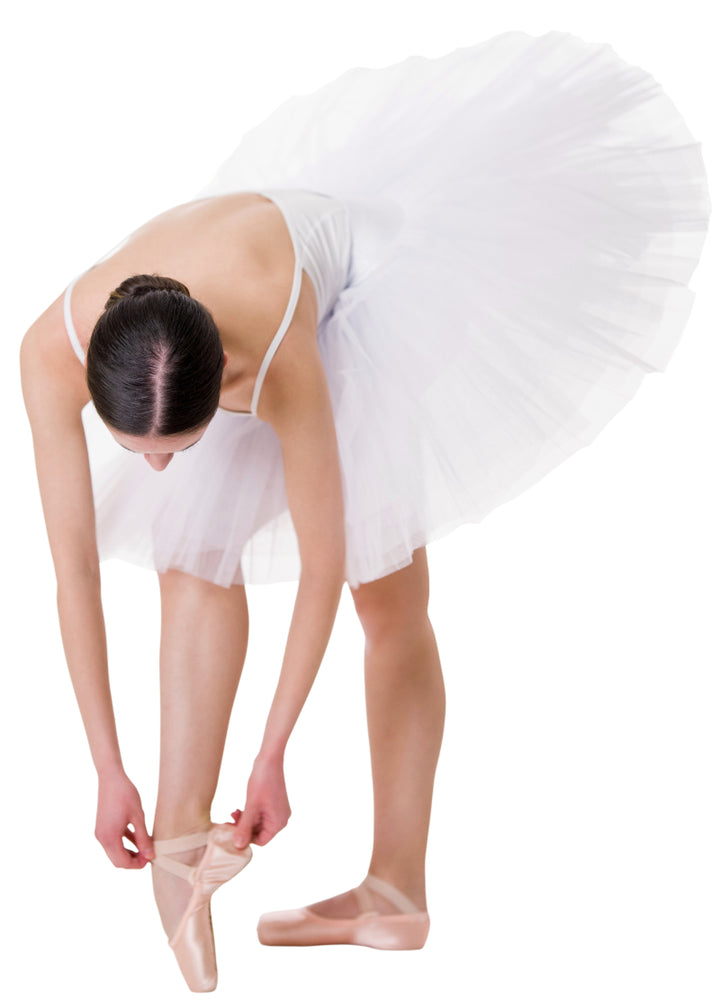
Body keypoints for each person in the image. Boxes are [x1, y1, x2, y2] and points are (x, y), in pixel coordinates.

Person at [19, 29, 710, 994]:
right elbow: (73, 573)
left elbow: (320, 565)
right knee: (193, 554)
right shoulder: (49, 353)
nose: (165, 469)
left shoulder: (283, 351)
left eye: (179, 445)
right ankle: (180, 853)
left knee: (386, 597)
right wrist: (105, 768)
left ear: (230, 381)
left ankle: (395, 889)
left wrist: (273, 756)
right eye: (142, 450)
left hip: (373, 285)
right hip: (231, 272)